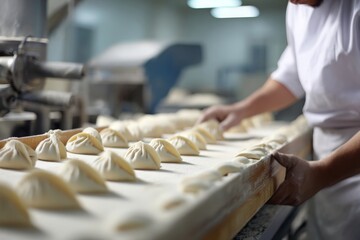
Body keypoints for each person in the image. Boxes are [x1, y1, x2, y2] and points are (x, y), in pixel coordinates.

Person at [198, 0, 360, 239]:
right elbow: (291, 76)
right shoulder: (297, 8)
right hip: (325, 153)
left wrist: (322, 173)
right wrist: (241, 109)